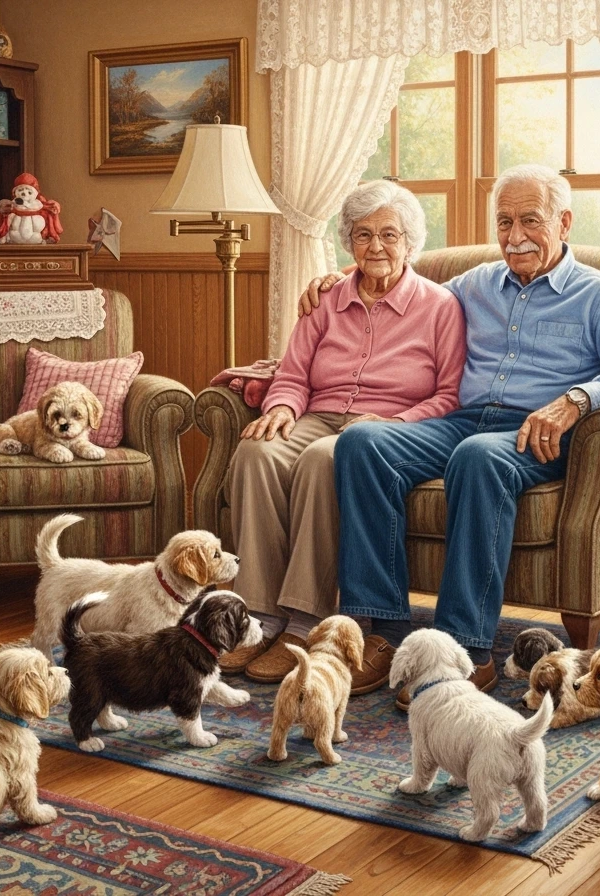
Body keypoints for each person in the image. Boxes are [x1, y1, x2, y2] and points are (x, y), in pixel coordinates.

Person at [299, 164, 600, 708]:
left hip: (535, 433)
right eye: (503, 222)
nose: (514, 236)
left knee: (478, 456)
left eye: (530, 220)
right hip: (461, 419)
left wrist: (575, 400)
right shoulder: (471, 284)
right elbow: (395, 275)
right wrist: (339, 278)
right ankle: (379, 629)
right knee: (362, 441)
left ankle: (462, 647)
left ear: (564, 222)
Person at [222, 180, 466, 684]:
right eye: (363, 234)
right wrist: (284, 407)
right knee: (255, 452)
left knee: (323, 459)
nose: (376, 246)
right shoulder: (326, 298)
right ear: (348, 241)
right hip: (317, 411)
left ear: (411, 242)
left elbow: (449, 395)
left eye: (389, 235)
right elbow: (291, 372)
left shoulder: (440, 306)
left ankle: (306, 620)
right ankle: (258, 615)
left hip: (385, 426)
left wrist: (396, 424)